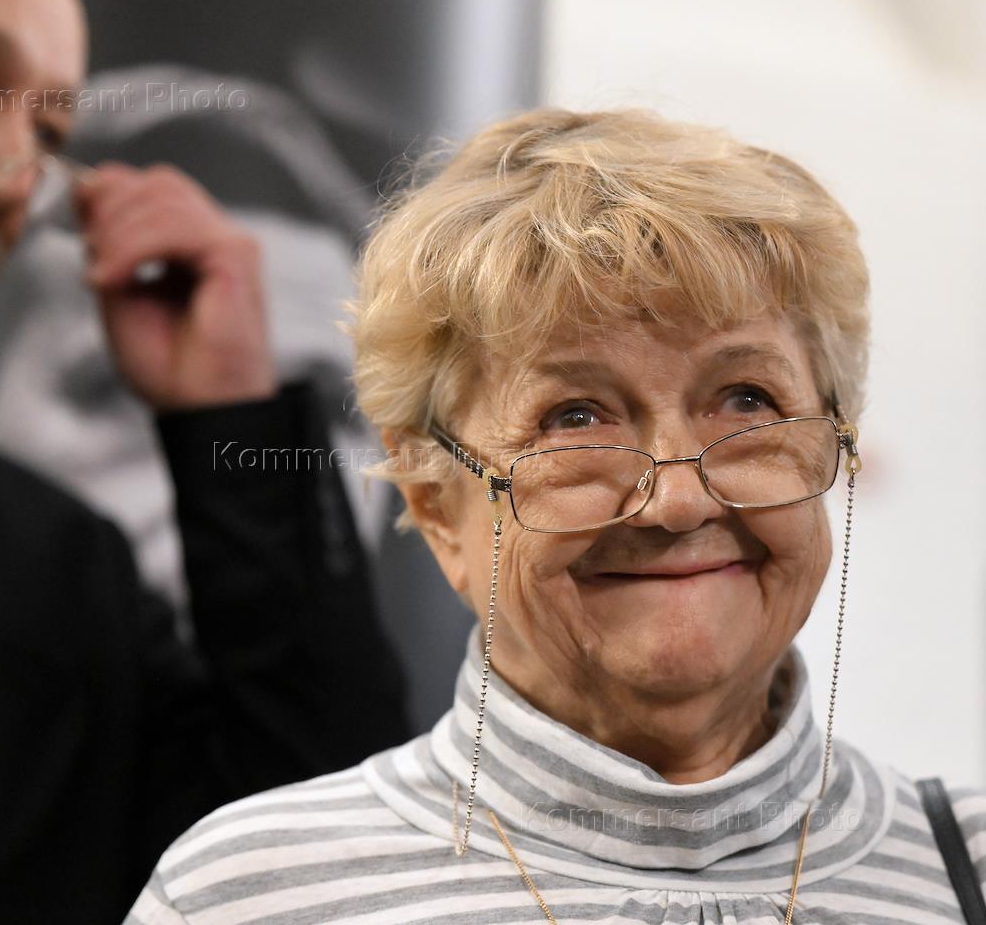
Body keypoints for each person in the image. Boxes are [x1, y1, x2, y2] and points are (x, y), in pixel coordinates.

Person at [126, 109, 986, 924]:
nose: (678, 500)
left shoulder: (969, 866)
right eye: (575, 417)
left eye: (747, 399)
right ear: (435, 501)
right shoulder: (248, 897)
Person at [0, 0, 409, 924]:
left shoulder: (63, 584)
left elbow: (326, 861)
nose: (7, 176)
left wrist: (231, 408)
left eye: (46, 134)